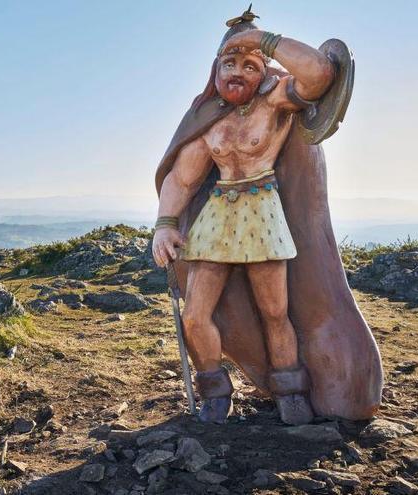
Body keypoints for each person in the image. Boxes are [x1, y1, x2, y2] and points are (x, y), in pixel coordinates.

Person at [152, 6, 383, 425]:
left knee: (275, 311)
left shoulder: (276, 101)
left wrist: (262, 40)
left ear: (265, 70)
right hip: (218, 215)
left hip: (263, 212)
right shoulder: (208, 119)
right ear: (215, 68)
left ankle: (289, 390)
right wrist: (165, 225)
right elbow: (183, 180)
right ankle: (215, 392)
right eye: (229, 62)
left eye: (249, 65)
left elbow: (319, 75)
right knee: (194, 314)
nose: (237, 71)